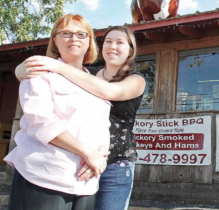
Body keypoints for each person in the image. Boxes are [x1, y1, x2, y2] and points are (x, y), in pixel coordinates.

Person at [15, 25, 147, 210]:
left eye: (120, 42)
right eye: (108, 41)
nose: (112, 46)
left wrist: (57, 66)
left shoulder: (137, 80)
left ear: (130, 50)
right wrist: (20, 71)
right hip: (79, 158)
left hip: (114, 165)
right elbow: (44, 80)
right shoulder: (86, 74)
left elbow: (108, 91)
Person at [4, 14, 111, 210]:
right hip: (44, 176)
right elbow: (42, 123)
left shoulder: (97, 82)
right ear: (55, 40)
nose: (74, 39)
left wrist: (100, 155)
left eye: (81, 34)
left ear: (89, 41)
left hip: (86, 181)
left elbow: (104, 125)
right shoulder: (39, 72)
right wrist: (88, 153)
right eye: (66, 33)